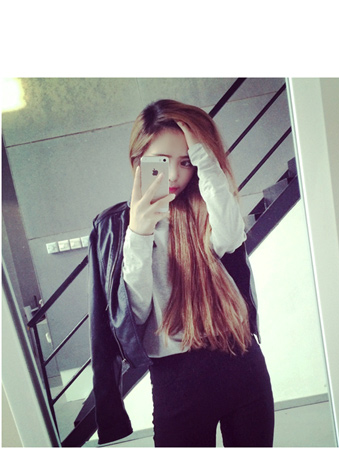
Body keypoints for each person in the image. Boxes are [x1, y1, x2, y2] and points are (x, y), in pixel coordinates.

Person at [89, 99, 274, 447]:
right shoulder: (115, 228)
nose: (174, 175)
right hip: (176, 380)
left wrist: (207, 159)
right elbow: (136, 312)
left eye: (186, 162)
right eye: (162, 161)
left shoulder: (206, 208)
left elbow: (230, 238)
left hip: (241, 361)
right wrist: (139, 233)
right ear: (138, 160)